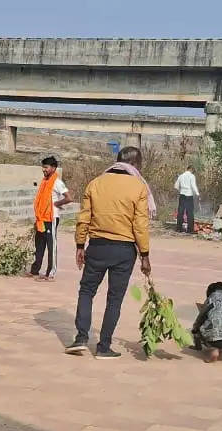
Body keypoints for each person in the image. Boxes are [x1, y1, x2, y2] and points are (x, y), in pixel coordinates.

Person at [66, 146, 151, 360]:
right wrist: (145, 254)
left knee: (86, 291)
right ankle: (104, 347)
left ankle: (81, 338)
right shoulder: (138, 187)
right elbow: (140, 224)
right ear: (136, 164)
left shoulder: (95, 183)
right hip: (124, 250)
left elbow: (84, 217)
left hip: (97, 246)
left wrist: (79, 245)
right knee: (115, 298)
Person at [29, 156, 72, 281]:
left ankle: (50, 273)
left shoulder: (57, 182)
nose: (44, 170)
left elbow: (69, 198)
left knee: (51, 245)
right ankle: (35, 270)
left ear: (53, 168)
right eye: (43, 167)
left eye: (46, 167)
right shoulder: (45, 181)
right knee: (39, 245)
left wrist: (57, 204)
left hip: (51, 218)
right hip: (41, 219)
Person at [174, 165, 199, 234]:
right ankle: (190, 230)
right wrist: (197, 194)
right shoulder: (192, 176)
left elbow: (176, 186)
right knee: (190, 213)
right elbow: (193, 186)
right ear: (191, 169)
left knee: (180, 212)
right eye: (193, 171)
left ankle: (178, 228)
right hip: (189, 195)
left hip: (182, 195)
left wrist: (181, 190)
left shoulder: (181, 176)